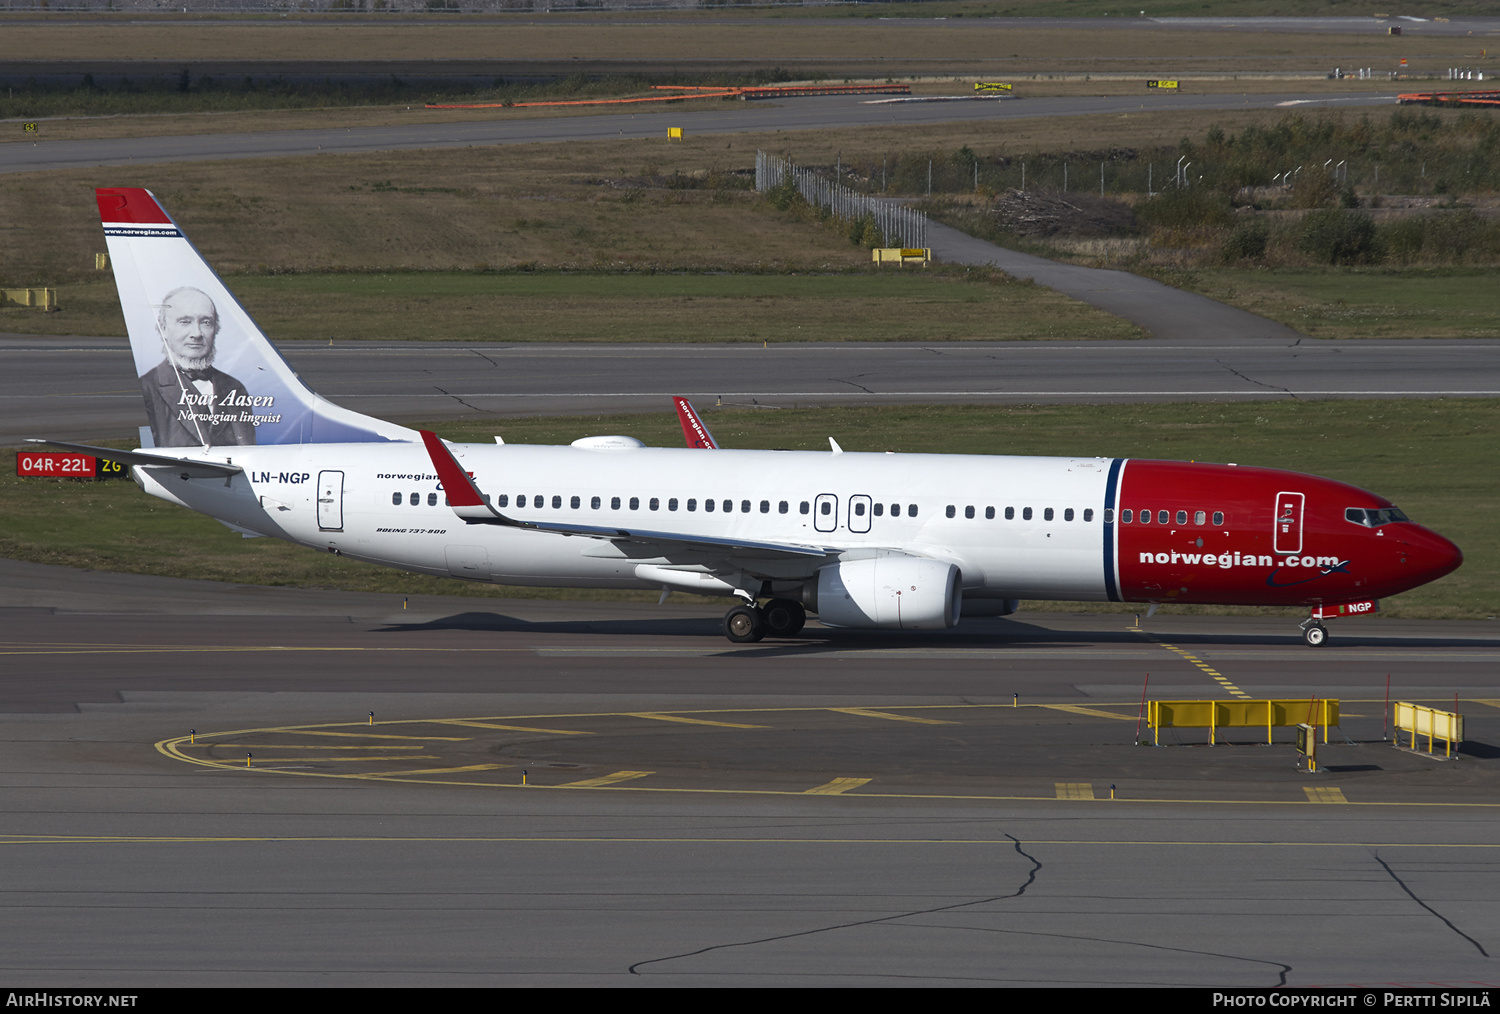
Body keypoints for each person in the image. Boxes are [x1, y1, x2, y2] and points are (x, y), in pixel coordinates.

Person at [139, 286, 257, 447]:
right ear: (164, 329)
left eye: (206, 322)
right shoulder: (147, 388)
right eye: (185, 322)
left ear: (216, 329)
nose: (197, 333)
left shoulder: (234, 387)